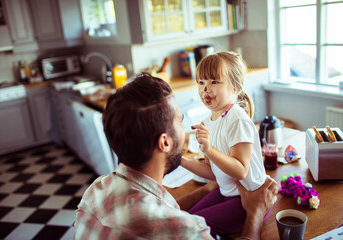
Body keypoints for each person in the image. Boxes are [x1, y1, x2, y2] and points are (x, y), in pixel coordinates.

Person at [74, 73, 277, 239]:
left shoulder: (96, 190)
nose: (185, 129)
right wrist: (256, 212)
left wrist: (206, 189)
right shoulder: (187, 232)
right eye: (180, 122)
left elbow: (160, 210)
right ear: (165, 143)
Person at [181, 51, 268, 236]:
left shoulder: (236, 119)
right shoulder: (209, 120)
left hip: (246, 199)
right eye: (201, 82)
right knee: (187, 218)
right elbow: (214, 172)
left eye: (214, 82)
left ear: (235, 87)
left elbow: (240, 170)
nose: (206, 89)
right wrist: (181, 160)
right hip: (227, 191)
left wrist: (210, 150)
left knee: (190, 227)